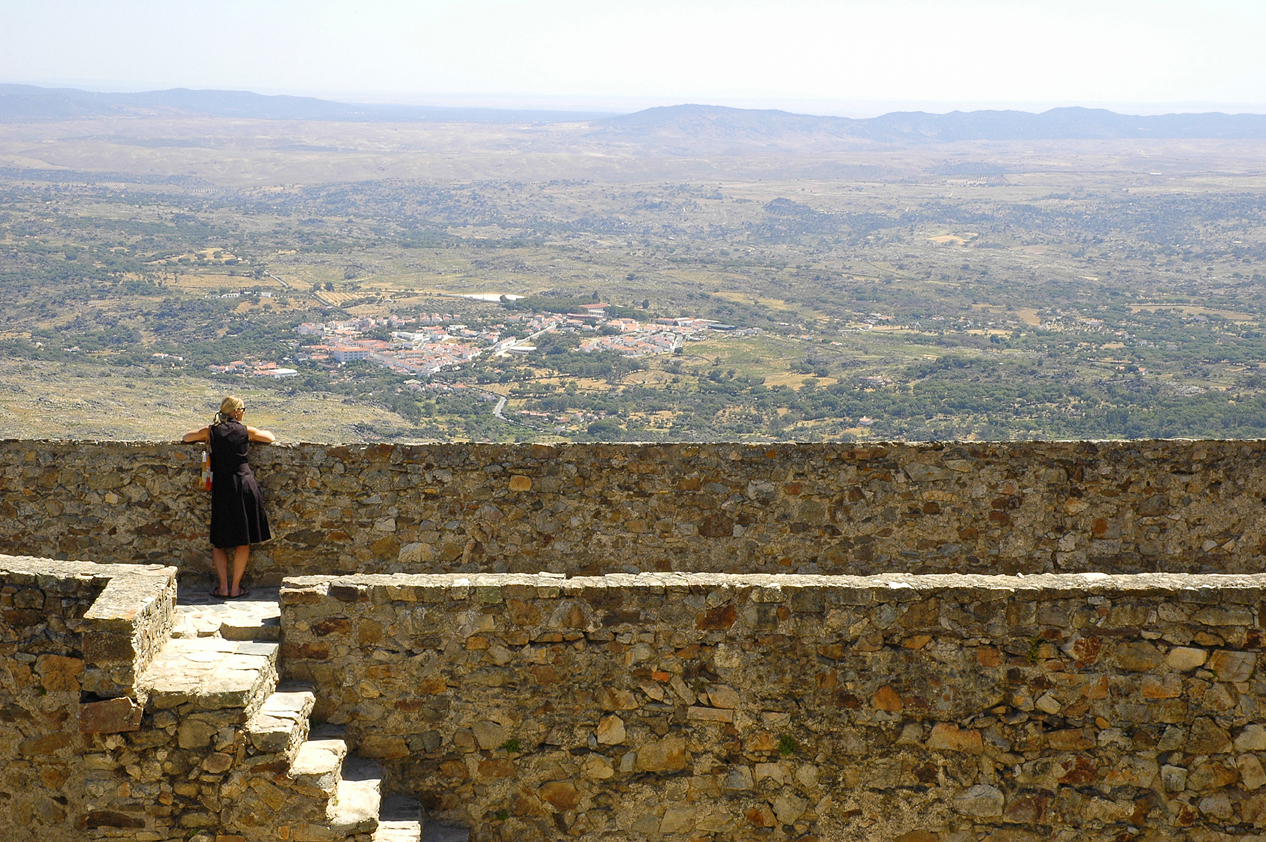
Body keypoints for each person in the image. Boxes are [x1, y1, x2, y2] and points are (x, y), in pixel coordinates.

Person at [182, 396, 276, 598]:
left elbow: (187, 437)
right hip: (243, 484)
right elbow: (270, 438)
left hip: (222, 487)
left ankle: (223, 587)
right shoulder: (246, 431)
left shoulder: (211, 431)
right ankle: (235, 588)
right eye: (243, 409)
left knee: (219, 541)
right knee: (243, 540)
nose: (244, 412)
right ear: (236, 412)